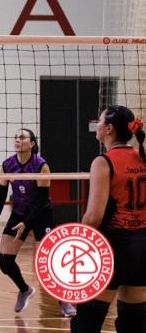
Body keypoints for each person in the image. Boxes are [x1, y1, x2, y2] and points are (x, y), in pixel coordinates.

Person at [71, 105, 146, 333]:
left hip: (115, 248)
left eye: (100, 120)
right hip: (143, 247)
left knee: (86, 323)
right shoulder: (143, 157)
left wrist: (75, 243)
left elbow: (94, 217)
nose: (97, 124)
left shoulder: (103, 161)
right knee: (133, 324)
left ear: (110, 128)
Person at [0, 128, 75, 317]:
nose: (17, 140)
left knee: (49, 258)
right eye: (15, 137)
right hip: (19, 213)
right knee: (4, 260)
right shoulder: (7, 164)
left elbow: (42, 201)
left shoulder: (41, 165)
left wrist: (26, 223)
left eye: (22, 137)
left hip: (41, 214)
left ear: (32, 143)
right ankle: (24, 290)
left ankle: (64, 300)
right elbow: (1, 194)